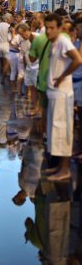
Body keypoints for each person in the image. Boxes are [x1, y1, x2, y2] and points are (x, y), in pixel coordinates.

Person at [44, 14, 82, 181]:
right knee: (55, 132)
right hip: (54, 94)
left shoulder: (63, 41)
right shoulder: (54, 42)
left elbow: (78, 60)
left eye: (52, 28)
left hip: (62, 94)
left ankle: (65, 169)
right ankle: (59, 167)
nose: (48, 31)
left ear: (59, 28)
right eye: (47, 27)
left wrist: (61, 77)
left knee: (62, 131)